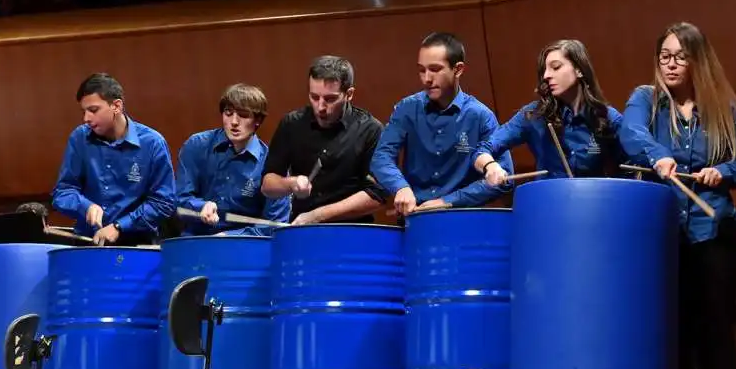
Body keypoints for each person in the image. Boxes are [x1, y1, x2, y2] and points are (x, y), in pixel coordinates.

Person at [619, 22, 736, 369]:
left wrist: (725, 172)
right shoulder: (645, 102)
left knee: (714, 337)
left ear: (697, 60)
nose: (669, 64)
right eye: (663, 55)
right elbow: (631, 136)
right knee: (674, 338)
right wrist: (657, 155)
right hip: (664, 237)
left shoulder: (722, 107)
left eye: (679, 56)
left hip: (712, 235)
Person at [370, 32, 513, 216]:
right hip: (416, 218)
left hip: (462, 219)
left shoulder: (480, 116)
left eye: (435, 69)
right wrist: (400, 188)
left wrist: (448, 202)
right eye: (422, 70)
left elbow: (504, 178)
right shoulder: (407, 108)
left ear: (458, 69)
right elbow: (381, 157)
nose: (426, 79)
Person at [473, 39, 623, 184]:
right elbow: (483, 149)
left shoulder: (607, 117)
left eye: (556, 67)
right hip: (549, 204)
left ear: (579, 70)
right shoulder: (533, 115)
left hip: (595, 203)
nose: (546, 75)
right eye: (545, 70)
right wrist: (490, 166)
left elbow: (634, 161)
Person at [51, 73, 176, 246]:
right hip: (89, 243)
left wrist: (119, 226)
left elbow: (164, 202)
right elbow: (62, 192)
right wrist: (85, 206)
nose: (86, 118)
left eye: (93, 110)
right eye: (84, 111)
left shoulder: (153, 143)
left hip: (137, 245)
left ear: (116, 106)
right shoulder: (79, 138)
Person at [261, 55, 386, 224]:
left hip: (351, 232)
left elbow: (378, 194)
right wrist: (291, 183)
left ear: (349, 94)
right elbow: (268, 185)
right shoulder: (292, 124)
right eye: (314, 97)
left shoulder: (370, 129)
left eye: (330, 99)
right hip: (303, 229)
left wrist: (319, 215)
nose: (320, 107)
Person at [175, 83, 290, 236]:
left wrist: (230, 238)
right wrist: (200, 206)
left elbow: (274, 224)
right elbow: (178, 200)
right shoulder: (197, 145)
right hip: (197, 240)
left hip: (245, 247)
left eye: (243, 115)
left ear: (258, 120)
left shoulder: (272, 163)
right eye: (228, 113)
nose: (234, 122)